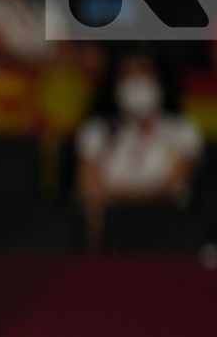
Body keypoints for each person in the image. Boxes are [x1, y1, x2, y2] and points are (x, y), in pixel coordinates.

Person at [75, 50, 202, 251]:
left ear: (159, 80)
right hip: (113, 232)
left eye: (144, 73)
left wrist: (119, 196)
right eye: (128, 75)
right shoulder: (96, 131)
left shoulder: (182, 131)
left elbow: (172, 187)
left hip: (168, 230)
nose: (136, 83)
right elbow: (89, 190)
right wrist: (139, 197)